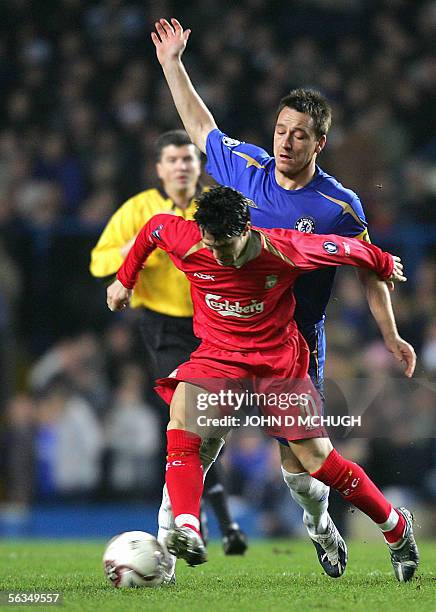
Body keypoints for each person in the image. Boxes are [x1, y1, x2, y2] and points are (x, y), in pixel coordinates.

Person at [150, 18, 417, 577]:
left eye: (299, 134)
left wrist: (390, 334)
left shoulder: (337, 206)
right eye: (280, 129)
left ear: (320, 142)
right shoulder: (247, 170)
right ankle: (169, 552)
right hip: (229, 338)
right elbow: (201, 126)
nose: (285, 141)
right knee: (195, 440)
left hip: (295, 345)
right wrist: (173, 65)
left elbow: (369, 270)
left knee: (301, 468)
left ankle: (320, 527)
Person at [106, 186, 419, 583]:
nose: (218, 255)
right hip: (219, 357)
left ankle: (395, 527)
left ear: (247, 229)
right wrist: (124, 280)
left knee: (317, 462)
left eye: (226, 246)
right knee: (182, 428)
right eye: (211, 244)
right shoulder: (187, 239)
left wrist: (383, 260)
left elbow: (343, 248)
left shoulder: (284, 249)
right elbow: (152, 229)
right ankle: (188, 526)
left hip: (277, 364)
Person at [90, 130, 247, 555]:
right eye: (173, 160)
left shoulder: (215, 206)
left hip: (218, 326)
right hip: (165, 325)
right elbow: (98, 260)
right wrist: (131, 250)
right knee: (192, 418)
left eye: (188, 159)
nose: (182, 166)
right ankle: (201, 521)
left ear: (199, 167)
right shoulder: (139, 209)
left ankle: (206, 520)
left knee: (211, 422)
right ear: (159, 169)